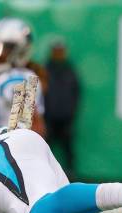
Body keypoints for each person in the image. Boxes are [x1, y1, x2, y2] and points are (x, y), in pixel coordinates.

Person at [0, 17, 46, 137]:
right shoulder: (13, 76)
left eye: (6, 48)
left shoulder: (16, 79)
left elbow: (34, 125)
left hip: (11, 146)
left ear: (22, 48)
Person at [44, 40, 80, 179]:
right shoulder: (45, 70)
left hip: (66, 119)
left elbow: (76, 92)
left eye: (61, 50)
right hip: (49, 119)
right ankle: (45, 176)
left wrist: (70, 111)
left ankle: (71, 178)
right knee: (45, 149)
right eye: (56, 50)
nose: (59, 54)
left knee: (68, 151)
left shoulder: (70, 70)